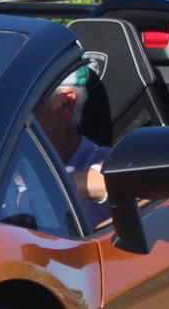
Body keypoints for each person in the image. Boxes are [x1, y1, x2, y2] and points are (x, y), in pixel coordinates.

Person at [33, 55, 114, 231]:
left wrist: (56, 187)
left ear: (65, 103)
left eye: (20, 108)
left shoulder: (107, 163)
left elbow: (159, 183)